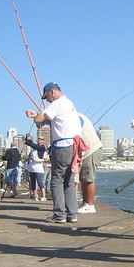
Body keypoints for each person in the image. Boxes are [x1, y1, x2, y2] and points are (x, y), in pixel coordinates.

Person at [25, 82, 81, 223]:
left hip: (62, 147)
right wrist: (39, 117)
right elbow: (57, 122)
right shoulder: (69, 103)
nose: (47, 100)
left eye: (46, 97)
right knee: (69, 181)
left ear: (51, 92)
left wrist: (35, 116)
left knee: (56, 181)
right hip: (74, 147)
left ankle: (59, 215)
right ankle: (72, 214)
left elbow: (39, 119)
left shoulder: (57, 103)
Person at [76, 113, 102, 214]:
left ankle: (90, 204)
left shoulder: (75, 117)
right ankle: (85, 203)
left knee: (88, 178)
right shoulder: (75, 115)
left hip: (90, 150)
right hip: (86, 151)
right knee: (83, 178)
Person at [24, 133, 48, 201]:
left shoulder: (42, 147)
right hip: (32, 167)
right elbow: (28, 143)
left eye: (41, 139)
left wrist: (30, 140)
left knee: (40, 182)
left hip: (39, 168)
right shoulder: (35, 147)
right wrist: (27, 138)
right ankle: (35, 196)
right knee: (33, 182)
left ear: (43, 140)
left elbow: (32, 144)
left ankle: (43, 196)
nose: (39, 140)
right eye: (38, 139)